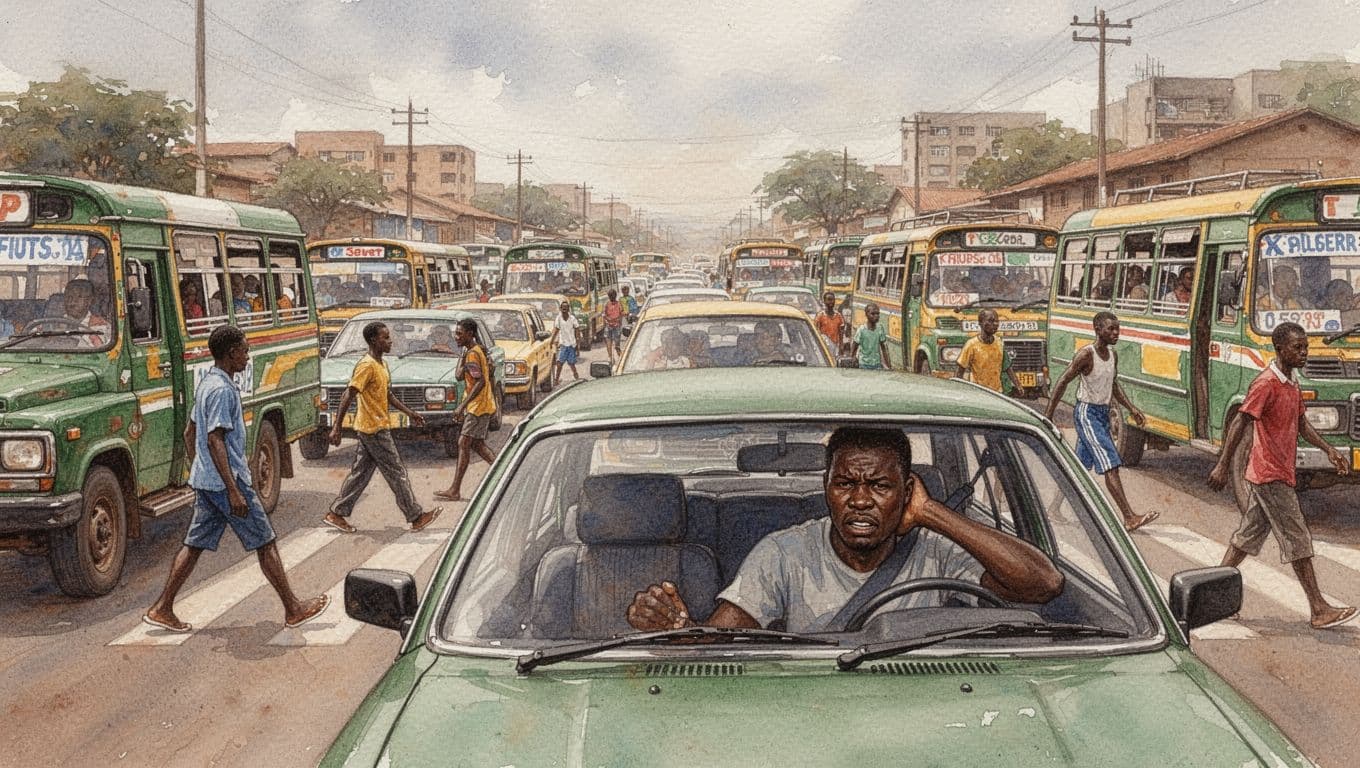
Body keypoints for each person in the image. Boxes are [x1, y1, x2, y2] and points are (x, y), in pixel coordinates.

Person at [626, 427, 1063, 632]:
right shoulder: (783, 553)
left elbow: (1044, 584)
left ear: (907, 490)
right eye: (845, 484)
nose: (858, 500)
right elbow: (725, 636)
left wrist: (932, 513)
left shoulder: (935, 549)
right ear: (826, 487)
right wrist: (682, 628)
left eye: (879, 486)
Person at [143, 326, 328, 633]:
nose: (247, 355)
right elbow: (215, 440)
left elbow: (191, 433)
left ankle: (162, 607)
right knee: (266, 542)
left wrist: (198, 467)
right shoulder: (222, 390)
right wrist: (233, 490)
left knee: (194, 544)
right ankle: (293, 609)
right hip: (228, 482)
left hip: (207, 481)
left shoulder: (208, 384)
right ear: (231, 354)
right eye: (244, 349)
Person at [1207, 322, 1355, 630]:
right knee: (1298, 539)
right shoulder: (1265, 383)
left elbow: (1302, 423)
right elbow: (1241, 424)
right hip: (1269, 473)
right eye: (1297, 348)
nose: (1304, 353)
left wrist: (1329, 449)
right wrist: (1222, 464)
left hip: (1276, 472)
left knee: (1245, 540)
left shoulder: (1291, 381)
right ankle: (1318, 608)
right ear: (1280, 350)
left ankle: (1212, 600)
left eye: (1305, 347)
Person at [321, 321, 443, 534]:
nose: (390, 341)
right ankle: (415, 517)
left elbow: (388, 396)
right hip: (373, 429)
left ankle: (337, 513)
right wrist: (337, 427)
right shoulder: (366, 365)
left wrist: (410, 413)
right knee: (396, 472)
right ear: (373, 341)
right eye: (385, 338)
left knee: (360, 474)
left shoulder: (382, 365)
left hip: (375, 426)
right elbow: (348, 394)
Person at [1044, 311, 1159, 532]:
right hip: (1087, 414)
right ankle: (1129, 517)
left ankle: (1054, 507)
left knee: (1079, 466)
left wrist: (1132, 409)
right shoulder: (1086, 355)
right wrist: (1048, 415)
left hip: (1102, 414)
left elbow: (1113, 385)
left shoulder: (1113, 355)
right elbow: (1062, 381)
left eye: (1118, 328)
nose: (1116, 333)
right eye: (1111, 329)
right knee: (1111, 464)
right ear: (1098, 330)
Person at [435, 319, 500, 502]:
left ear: (470, 334)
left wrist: (461, 406)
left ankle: (455, 489)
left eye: (459, 333)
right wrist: (462, 355)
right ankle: (504, 473)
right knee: (477, 445)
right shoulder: (471, 353)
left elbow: (479, 382)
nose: (456, 337)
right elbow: (458, 376)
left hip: (477, 406)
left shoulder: (473, 354)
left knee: (464, 443)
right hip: (481, 405)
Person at [955, 308, 1015, 394]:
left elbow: (1007, 366)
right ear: (980, 323)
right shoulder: (971, 344)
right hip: (978, 393)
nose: (995, 324)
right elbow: (960, 371)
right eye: (990, 321)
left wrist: (1018, 386)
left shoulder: (999, 342)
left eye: (997, 321)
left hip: (998, 393)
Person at [61, 278, 111, 347]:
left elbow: (102, 351)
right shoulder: (53, 323)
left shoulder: (100, 325)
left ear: (89, 300)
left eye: (79, 297)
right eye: (69, 296)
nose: (72, 301)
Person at [550, 300, 581, 384]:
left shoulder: (572, 318)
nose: (564, 311)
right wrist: (551, 341)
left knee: (571, 363)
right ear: (560, 309)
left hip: (571, 344)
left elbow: (577, 328)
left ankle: (576, 376)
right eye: (563, 309)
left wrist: (578, 342)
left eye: (566, 309)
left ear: (568, 309)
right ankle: (556, 380)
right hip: (563, 344)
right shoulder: (558, 318)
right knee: (559, 363)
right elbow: (556, 330)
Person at [852, 303, 891, 370]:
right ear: (866, 314)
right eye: (872, 314)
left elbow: (884, 347)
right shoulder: (861, 330)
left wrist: (889, 365)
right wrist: (853, 357)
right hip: (864, 364)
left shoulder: (880, 328)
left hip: (877, 364)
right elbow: (855, 345)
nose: (876, 316)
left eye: (877, 314)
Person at [603, 288, 624, 364]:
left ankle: (621, 358)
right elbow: (604, 315)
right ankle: (611, 358)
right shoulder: (607, 304)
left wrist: (617, 321)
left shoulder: (618, 304)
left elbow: (621, 314)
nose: (612, 297)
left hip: (616, 326)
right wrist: (608, 320)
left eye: (612, 295)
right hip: (609, 326)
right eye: (610, 296)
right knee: (609, 342)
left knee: (616, 345)